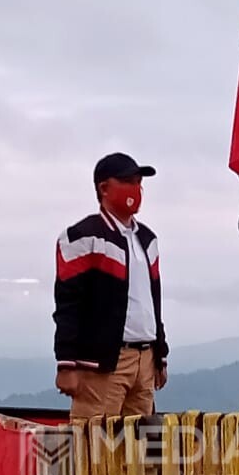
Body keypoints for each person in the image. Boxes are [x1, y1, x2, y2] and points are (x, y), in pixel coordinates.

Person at [53, 152, 169, 418]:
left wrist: (159, 354)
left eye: (139, 182)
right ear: (104, 188)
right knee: (95, 448)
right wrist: (66, 363)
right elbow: (68, 302)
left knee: (139, 449)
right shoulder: (82, 237)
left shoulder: (148, 239)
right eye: (128, 181)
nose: (136, 189)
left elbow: (153, 301)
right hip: (104, 363)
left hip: (146, 358)